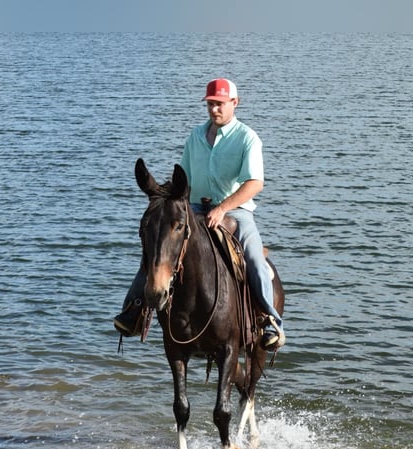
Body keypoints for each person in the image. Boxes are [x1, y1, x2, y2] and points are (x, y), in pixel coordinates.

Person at [114, 78, 285, 351]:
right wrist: (161, 195)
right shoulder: (195, 137)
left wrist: (222, 208)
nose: (214, 109)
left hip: (236, 212)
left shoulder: (247, 138)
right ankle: (133, 310)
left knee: (253, 257)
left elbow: (255, 183)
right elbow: (184, 179)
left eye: (219, 104)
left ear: (234, 103)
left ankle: (270, 321)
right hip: (193, 209)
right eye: (210, 104)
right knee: (158, 250)